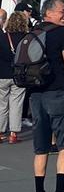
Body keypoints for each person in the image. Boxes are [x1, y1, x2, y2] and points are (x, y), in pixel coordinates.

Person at [29, 0, 64, 192]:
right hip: (57, 93)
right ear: (49, 12)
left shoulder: (32, 34)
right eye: (62, 11)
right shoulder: (60, 33)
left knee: (41, 147)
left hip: (35, 96)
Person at [1, 10, 29, 144]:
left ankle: (0, 132)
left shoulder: (3, 36)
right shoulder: (27, 38)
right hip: (19, 75)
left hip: (2, 74)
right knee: (16, 103)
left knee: (2, 104)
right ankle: (13, 134)